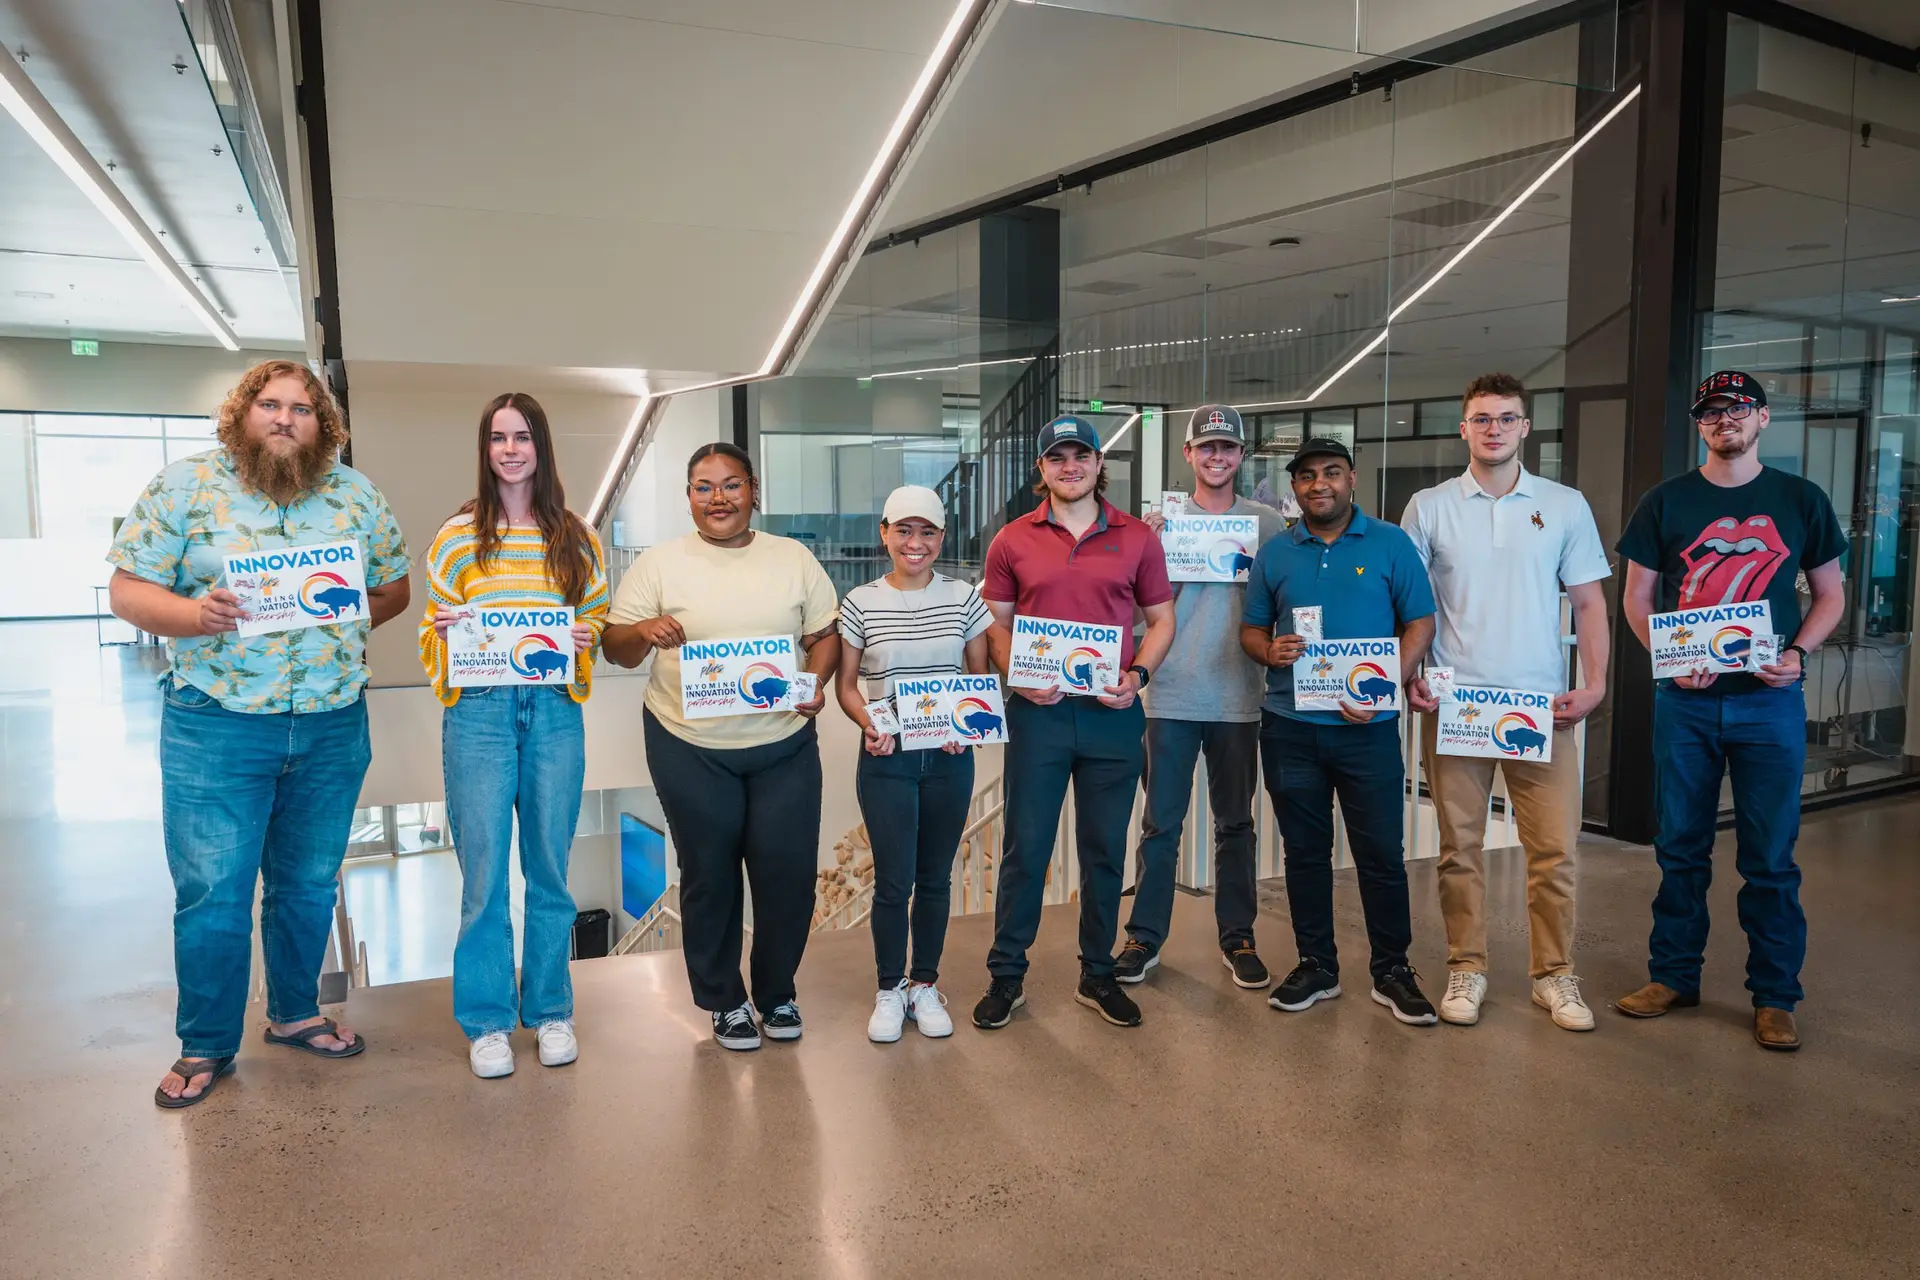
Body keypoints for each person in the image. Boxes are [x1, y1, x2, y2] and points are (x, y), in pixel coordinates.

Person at [108, 360, 411, 1108]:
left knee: (307, 883)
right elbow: (128, 586)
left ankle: (295, 1012)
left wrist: (342, 611)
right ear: (244, 414)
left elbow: (396, 583)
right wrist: (192, 616)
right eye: (270, 405)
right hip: (216, 723)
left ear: (323, 425)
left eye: (302, 409)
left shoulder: (354, 493)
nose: (285, 418)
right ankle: (205, 1043)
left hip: (332, 721)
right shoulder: (185, 487)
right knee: (213, 889)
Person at [1614, 370, 1846, 1052]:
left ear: (1763, 419)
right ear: (1699, 423)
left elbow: (1829, 595)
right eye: (1712, 411)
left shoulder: (1800, 499)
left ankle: (1775, 997)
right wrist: (1668, 654)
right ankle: (1674, 976)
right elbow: (1637, 597)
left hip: (1769, 703)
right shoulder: (1665, 501)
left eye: (1738, 409)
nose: (1725, 420)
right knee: (1679, 849)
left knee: (1770, 858)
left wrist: (1799, 654)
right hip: (1684, 705)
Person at [603, 442, 839, 1052]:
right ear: (688, 497)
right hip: (688, 743)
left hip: (783, 742)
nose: (718, 499)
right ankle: (724, 1001)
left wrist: (816, 681)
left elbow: (824, 635)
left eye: (731, 485)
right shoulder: (658, 564)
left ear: (753, 489)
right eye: (704, 487)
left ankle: (777, 990)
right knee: (709, 875)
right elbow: (616, 648)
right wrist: (643, 631)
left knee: (786, 874)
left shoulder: (792, 558)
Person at [1401, 373, 1612, 1032]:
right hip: (1456, 707)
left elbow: (1589, 603)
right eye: (1481, 419)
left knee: (1555, 852)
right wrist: (1409, 674)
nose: (1494, 428)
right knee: (1458, 850)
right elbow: (1407, 604)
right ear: (1464, 428)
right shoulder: (1428, 506)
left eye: (1507, 418)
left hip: (1541, 709)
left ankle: (1554, 975)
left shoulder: (1565, 504)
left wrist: (1596, 683)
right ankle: (1468, 965)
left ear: (1526, 428)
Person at [419, 393, 609, 1078]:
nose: (509, 449)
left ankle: (553, 1011)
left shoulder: (577, 537)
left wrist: (581, 641)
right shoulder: (457, 536)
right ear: (484, 448)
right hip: (478, 713)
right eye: (498, 437)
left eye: (522, 437)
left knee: (551, 871)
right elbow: (431, 627)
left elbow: (591, 617)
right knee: (484, 875)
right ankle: (488, 1021)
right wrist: (442, 636)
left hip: (554, 711)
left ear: (541, 447)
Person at [972, 415, 1176, 1031]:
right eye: (1056, 457)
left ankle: (1097, 972)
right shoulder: (1012, 540)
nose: (1070, 467)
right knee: (1025, 850)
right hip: (1039, 717)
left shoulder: (1137, 537)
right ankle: (1007, 976)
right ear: (1042, 469)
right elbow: (994, 624)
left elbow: (1161, 620)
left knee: (1104, 851)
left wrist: (1137, 676)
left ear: (1096, 464)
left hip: (1113, 716)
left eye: (1080, 455)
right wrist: (1015, 675)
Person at [1239, 437, 1439, 1026]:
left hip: (1367, 730)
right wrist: (1269, 651)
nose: (1317, 484)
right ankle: (1317, 964)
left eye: (1330, 473)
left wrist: (1385, 686)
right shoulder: (1276, 553)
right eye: (1305, 476)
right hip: (1290, 727)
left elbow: (1420, 623)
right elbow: (1251, 630)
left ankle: (1392, 969)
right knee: (1304, 853)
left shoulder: (1390, 544)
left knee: (1381, 853)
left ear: (1352, 479)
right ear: (1294, 488)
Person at [1114, 405, 1286, 989]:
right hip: (1169, 696)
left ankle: (1237, 937)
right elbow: (1138, 613)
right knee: (1161, 824)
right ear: (1188, 454)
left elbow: (1280, 601)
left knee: (1236, 824)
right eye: (1206, 447)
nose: (1217, 456)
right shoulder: (1156, 527)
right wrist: (1158, 552)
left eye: (1228, 448)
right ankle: (1144, 938)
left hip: (1238, 696)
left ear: (1242, 457)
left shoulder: (1267, 525)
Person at [835, 486, 992, 1043]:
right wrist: (868, 724)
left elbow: (977, 678)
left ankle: (924, 984)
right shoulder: (859, 602)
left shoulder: (965, 599)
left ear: (942, 538)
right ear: (884, 533)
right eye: (904, 530)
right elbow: (847, 686)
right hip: (887, 759)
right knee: (893, 882)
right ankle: (888, 988)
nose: (915, 543)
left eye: (927, 532)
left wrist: (964, 721)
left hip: (949, 758)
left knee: (934, 879)